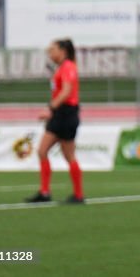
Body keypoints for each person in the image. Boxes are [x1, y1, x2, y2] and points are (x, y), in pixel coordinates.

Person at [25, 38, 85, 204]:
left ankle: (78, 195)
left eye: (53, 50)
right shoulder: (61, 68)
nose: (50, 53)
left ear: (63, 51)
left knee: (69, 155)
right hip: (59, 114)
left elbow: (66, 92)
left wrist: (49, 109)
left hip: (66, 114)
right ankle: (44, 192)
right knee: (42, 151)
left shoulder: (68, 67)